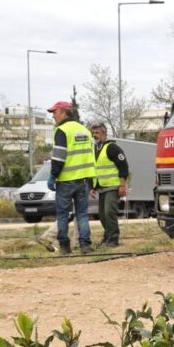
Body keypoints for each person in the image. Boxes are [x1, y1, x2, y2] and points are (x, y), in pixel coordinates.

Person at [47, 101, 95, 255]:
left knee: (62, 215)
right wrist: (91, 180)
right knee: (82, 214)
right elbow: (90, 156)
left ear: (63, 112)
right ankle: (85, 246)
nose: (53, 116)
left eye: (55, 112)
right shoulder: (85, 131)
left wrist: (53, 175)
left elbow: (59, 157)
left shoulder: (62, 131)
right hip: (83, 181)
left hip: (66, 180)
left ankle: (65, 247)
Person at [90, 122, 129, 248]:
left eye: (97, 133)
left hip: (113, 186)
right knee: (102, 215)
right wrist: (92, 187)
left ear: (104, 134)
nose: (95, 135)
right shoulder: (95, 149)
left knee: (109, 213)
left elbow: (123, 166)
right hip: (102, 188)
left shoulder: (112, 147)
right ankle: (107, 237)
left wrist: (122, 185)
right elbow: (95, 170)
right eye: (93, 133)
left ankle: (113, 239)